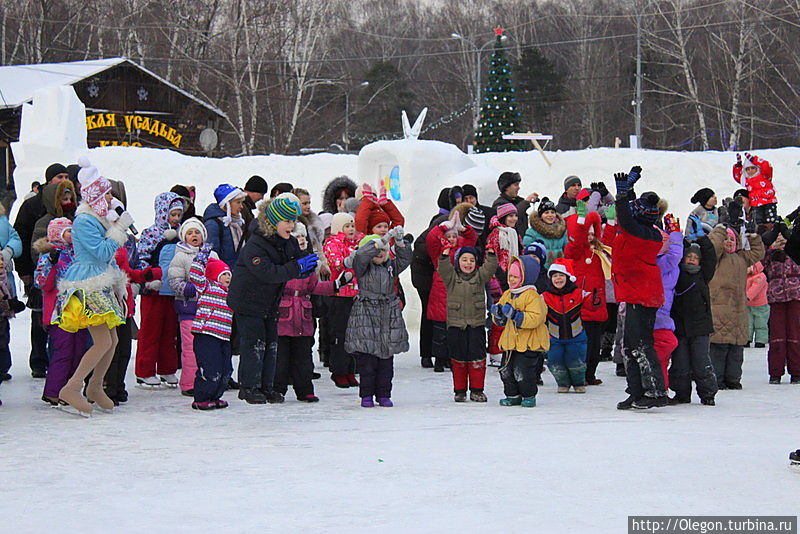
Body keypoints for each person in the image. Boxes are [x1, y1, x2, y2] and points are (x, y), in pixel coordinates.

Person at [51, 157, 132, 416]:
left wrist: (115, 226)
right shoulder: (84, 222)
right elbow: (99, 252)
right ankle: (72, 387)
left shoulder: (98, 220)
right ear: (96, 197)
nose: (111, 200)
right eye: (107, 195)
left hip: (101, 280)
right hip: (88, 284)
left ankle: (95, 386)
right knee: (100, 341)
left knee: (112, 339)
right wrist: (119, 229)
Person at [228, 196, 313, 404]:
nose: (291, 225)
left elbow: (295, 264)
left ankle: (267, 387)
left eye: (293, 221)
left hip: (269, 302)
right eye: (287, 221)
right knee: (254, 344)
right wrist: (296, 268)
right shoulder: (256, 244)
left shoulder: (289, 242)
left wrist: (306, 265)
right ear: (274, 222)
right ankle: (249, 387)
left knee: (270, 345)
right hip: (248, 302)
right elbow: (269, 273)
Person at [611, 166, 668, 410]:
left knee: (640, 345)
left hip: (642, 295)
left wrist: (623, 195)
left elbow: (626, 215)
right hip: (636, 293)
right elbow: (631, 214)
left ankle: (655, 392)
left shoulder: (642, 234)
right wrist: (630, 188)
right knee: (629, 346)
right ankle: (636, 390)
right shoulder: (641, 228)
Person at [276, 222, 349, 402]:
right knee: (281, 357)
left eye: (302, 236)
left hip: (303, 314)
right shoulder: (281, 262)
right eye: (296, 236)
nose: (300, 240)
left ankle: (305, 389)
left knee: (303, 356)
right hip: (283, 315)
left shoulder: (308, 263)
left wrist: (335, 285)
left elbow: (315, 287)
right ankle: (277, 388)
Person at [343, 228, 413, 408]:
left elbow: (405, 259)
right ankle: (366, 394)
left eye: (384, 250)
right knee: (367, 361)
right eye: (377, 250)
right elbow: (361, 256)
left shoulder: (390, 267)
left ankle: (384, 394)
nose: (381, 253)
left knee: (386, 361)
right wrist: (380, 242)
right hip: (366, 314)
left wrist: (399, 243)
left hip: (387, 314)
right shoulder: (363, 267)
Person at [14, 162, 70, 377]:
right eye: (59, 176)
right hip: (40, 269)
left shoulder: (70, 203)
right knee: (40, 317)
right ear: (49, 180)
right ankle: (38, 361)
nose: (63, 180)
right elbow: (23, 234)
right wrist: (25, 271)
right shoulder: (33, 205)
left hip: (63, 273)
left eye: (66, 176)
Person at [34, 218, 87, 405]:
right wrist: (51, 263)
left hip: (79, 308)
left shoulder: (77, 252)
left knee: (79, 349)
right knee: (63, 351)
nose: (73, 234)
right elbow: (42, 283)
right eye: (68, 231)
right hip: (59, 312)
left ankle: (70, 390)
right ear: (58, 233)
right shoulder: (49, 255)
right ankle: (54, 390)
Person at [135, 191, 185, 388]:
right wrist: (147, 279)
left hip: (173, 290)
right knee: (150, 331)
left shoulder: (182, 233)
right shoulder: (151, 233)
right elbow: (141, 259)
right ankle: (144, 370)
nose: (175, 219)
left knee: (169, 332)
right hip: (154, 291)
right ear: (162, 213)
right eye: (172, 215)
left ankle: (167, 369)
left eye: (178, 215)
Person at [707, 225, 764, 390]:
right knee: (718, 348)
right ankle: (717, 379)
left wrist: (752, 235)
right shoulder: (716, 258)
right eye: (726, 239)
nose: (729, 242)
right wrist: (720, 229)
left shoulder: (741, 258)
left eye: (732, 239)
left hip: (738, 312)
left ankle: (733, 379)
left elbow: (758, 252)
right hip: (718, 310)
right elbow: (713, 246)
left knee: (736, 351)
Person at [438, 245, 497, 402]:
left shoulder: (479, 277)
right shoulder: (451, 278)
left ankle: (477, 390)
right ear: (458, 262)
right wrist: (444, 255)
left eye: (472, 260)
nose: (468, 263)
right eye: (464, 260)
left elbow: (490, 268)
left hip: (476, 325)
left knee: (477, 358)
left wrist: (491, 254)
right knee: (458, 358)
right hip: (456, 326)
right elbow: (443, 268)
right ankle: (460, 390)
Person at [563, 206, 613, 385]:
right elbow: (576, 241)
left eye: (593, 234)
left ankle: (590, 374)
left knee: (594, 345)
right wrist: (582, 222)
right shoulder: (576, 251)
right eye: (588, 234)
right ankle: (579, 375)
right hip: (580, 305)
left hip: (597, 304)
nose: (590, 237)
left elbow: (610, 240)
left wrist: (612, 222)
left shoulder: (601, 252)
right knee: (581, 344)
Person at [490, 255, 549, 407]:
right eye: (510, 276)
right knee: (505, 370)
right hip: (511, 342)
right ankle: (512, 394)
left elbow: (536, 318)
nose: (511, 280)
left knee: (522, 371)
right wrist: (498, 315)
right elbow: (501, 319)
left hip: (528, 343)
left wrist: (516, 315)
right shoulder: (508, 294)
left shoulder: (532, 296)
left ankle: (528, 395)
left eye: (515, 277)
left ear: (525, 277)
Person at [168, 217, 218, 395]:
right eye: (189, 233)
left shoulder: (212, 255)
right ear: (184, 237)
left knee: (208, 347)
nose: (194, 235)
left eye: (197, 232)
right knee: (189, 347)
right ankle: (188, 383)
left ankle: (208, 380)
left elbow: (218, 276)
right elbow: (175, 281)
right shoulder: (180, 256)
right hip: (188, 308)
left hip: (209, 308)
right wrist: (192, 289)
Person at [426, 206, 477, 372]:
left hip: (457, 295)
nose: (453, 239)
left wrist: (464, 229)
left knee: (454, 331)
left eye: (456, 236)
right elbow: (432, 238)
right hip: (441, 294)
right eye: (450, 236)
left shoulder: (461, 251)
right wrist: (443, 227)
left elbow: (472, 239)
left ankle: (450, 358)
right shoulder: (438, 252)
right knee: (440, 331)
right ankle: (439, 360)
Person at [668, 238, 719, 405]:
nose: (691, 259)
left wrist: (703, 239)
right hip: (680, 326)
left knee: (701, 363)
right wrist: (681, 241)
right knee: (680, 364)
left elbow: (711, 256)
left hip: (700, 328)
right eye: (688, 256)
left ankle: (708, 394)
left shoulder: (703, 275)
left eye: (695, 257)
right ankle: (681, 394)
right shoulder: (678, 273)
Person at [185, 250, 234, 410]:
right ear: (214, 275)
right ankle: (201, 397)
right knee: (210, 367)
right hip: (206, 334)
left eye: (229, 274)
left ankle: (215, 396)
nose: (228, 277)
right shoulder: (207, 286)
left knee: (226, 369)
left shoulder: (231, 294)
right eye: (224, 274)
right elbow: (195, 273)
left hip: (223, 336)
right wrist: (203, 254)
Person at [323, 212, 362, 387]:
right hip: (339, 295)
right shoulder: (333, 243)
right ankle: (338, 370)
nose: (351, 229)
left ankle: (351, 369)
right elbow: (337, 263)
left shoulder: (358, 243)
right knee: (340, 334)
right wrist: (351, 259)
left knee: (354, 335)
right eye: (347, 226)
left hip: (356, 294)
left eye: (352, 226)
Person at [541, 259, 588, 394]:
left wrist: (595, 300)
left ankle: (579, 382)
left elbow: (592, 304)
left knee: (576, 361)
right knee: (555, 362)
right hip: (554, 337)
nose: (558, 279)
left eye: (561, 275)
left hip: (576, 336)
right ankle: (563, 383)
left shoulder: (579, 293)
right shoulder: (544, 296)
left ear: (568, 277)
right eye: (555, 276)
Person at [762, 234, 800, 384]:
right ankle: (775, 372)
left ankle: (796, 371)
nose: (782, 242)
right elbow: (759, 257)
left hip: (796, 297)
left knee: (795, 335)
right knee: (777, 336)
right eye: (778, 240)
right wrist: (771, 249)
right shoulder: (770, 256)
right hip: (776, 299)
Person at [653, 214, 684, 391]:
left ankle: (661, 388)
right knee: (661, 354)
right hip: (658, 314)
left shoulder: (663, 263)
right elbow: (675, 253)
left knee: (662, 357)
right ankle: (659, 387)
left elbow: (675, 254)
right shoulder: (661, 264)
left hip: (661, 314)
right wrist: (675, 233)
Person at [0, 203, 21, 383]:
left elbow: (16, 240)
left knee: (3, 328)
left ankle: (3, 365)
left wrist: (7, 252)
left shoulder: (3, 223)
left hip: (3, 281)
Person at [204, 184, 247, 267]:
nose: (241, 206)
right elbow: (212, 256)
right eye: (238, 202)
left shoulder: (236, 223)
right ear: (226, 204)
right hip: (222, 275)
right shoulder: (213, 225)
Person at [733, 153, 778, 225]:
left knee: (770, 221)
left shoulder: (764, 175)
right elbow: (738, 177)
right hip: (756, 204)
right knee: (757, 222)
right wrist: (738, 166)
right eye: (747, 169)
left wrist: (754, 160)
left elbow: (767, 166)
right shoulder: (747, 180)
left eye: (753, 168)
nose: (750, 171)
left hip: (768, 202)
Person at [523, 197, 568, 270]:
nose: (550, 215)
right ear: (540, 216)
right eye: (546, 213)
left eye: (552, 212)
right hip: (540, 270)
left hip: (559, 270)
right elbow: (527, 253)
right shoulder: (532, 232)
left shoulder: (561, 230)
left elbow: (566, 249)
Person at [491, 172, 537, 236]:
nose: (519, 187)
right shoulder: (499, 204)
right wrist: (525, 202)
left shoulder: (518, 201)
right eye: (516, 185)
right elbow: (513, 212)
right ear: (506, 187)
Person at [745, 261, 769, 349]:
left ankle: (761, 340)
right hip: (748, 305)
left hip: (760, 305)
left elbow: (755, 288)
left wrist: (747, 297)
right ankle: (746, 339)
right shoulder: (745, 277)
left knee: (761, 323)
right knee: (748, 323)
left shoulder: (761, 277)